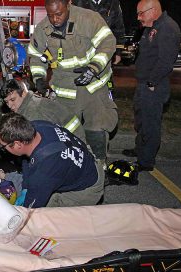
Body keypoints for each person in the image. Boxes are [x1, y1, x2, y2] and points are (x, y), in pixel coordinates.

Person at [27, 0, 118, 163]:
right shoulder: (43, 28)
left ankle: (99, 169)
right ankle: (72, 168)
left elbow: (108, 43)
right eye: (50, 15)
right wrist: (39, 78)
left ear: (68, 5)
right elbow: (35, 55)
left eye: (59, 14)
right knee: (65, 132)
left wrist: (93, 68)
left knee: (96, 128)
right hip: (65, 90)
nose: (54, 19)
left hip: (93, 86)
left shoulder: (89, 19)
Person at [0, 113, 104, 208]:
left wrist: (23, 208)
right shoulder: (37, 126)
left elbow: (31, 207)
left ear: (18, 144)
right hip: (85, 163)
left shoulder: (45, 169)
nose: (2, 148)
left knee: (45, 218)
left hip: (87, 188)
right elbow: (25, 159)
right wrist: (25, 187)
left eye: (3, 146)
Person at [122, 0, 181, 171]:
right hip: (144, 83)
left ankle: (146, 161)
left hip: (154, 85)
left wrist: (151, 82)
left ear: (153, 10)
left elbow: (166, 62)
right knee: (141, 120)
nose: (138, 17)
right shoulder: (152, 26)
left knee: (150, 124)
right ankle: (140, 149)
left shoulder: (168, 28)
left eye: (141, 13)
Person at [2, 79, 86, 142]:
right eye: (6, 102)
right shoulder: (31, 102)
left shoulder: (33, 112)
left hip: (74, 143)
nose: (9, 105)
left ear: (23, 93)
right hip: (73, 139)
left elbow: (45, 144)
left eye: (13, 100)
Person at [71, 0, 126, 65]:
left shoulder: (113, 3)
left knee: (104, 73)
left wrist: (118, 52)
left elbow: (118, 29)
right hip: (82, 50)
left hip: (105, 50)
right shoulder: (77, 2)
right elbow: (70, 25)